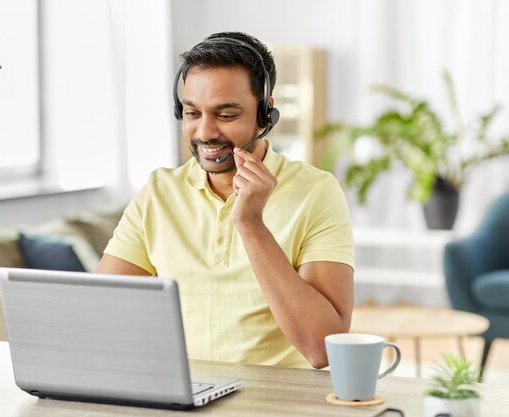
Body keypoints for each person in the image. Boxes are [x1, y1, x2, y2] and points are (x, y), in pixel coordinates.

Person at [97, 31, 354, 369]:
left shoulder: (316, 192)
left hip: (276, 402)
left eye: (226, 115)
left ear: (266, 114)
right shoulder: (159, 192)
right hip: (182, 394)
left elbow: (323, 348)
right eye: (192, 114)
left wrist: (250, 224)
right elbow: (102, 312)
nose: (204, 132)